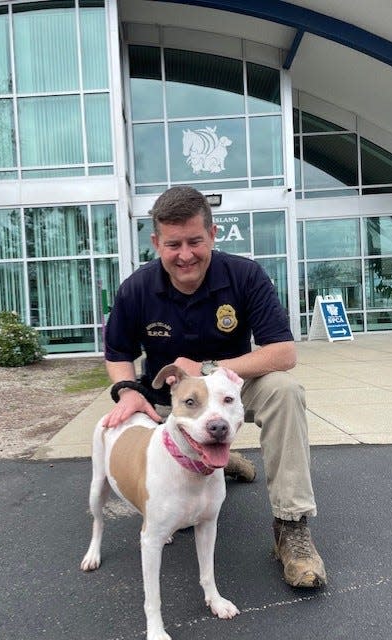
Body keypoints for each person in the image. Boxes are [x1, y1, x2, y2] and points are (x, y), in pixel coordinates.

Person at [102, 185, 327, 589]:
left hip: (231, 393)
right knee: (170, 459)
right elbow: (117, 353)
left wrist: (211, 370)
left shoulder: (244, 275)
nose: (185, 254)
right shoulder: (136, 289)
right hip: (173, 406)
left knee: (285, 391)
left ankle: (291, 527)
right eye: (173, 244)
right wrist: (126, 391)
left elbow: (283, 352)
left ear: (213, 234)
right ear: (156, 242)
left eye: (195, 241)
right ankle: (219, 454)